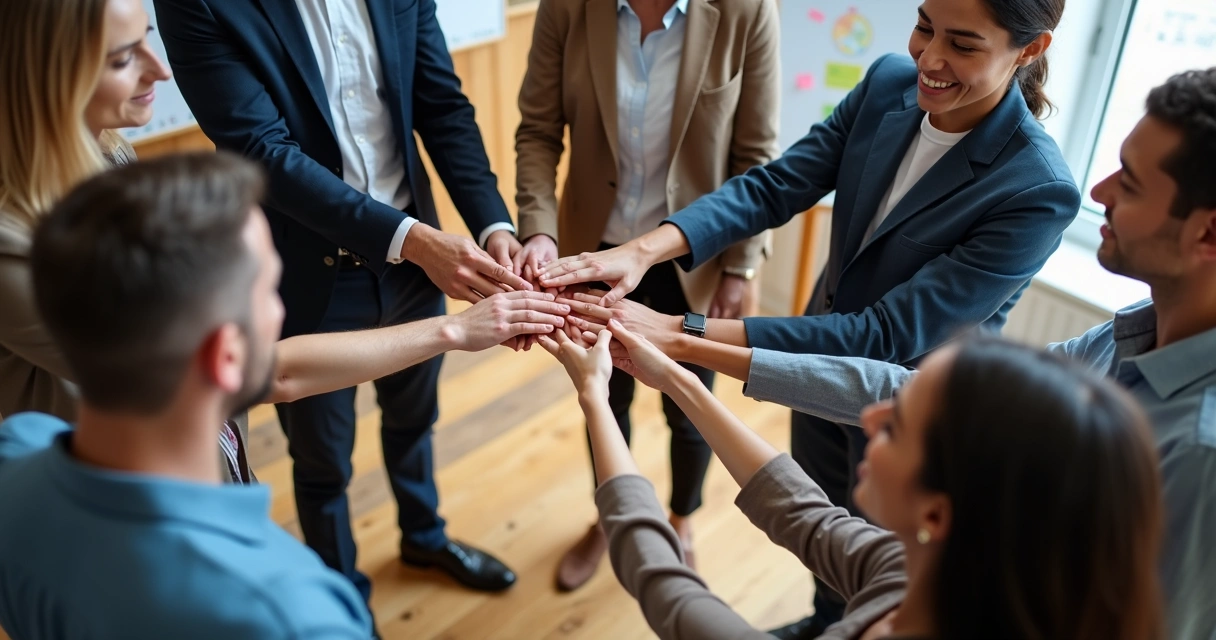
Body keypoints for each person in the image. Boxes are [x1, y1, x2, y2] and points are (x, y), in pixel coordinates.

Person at [602, 68, 1216, 639]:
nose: (1101, 190)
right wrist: (681, 350)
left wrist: (664, 352)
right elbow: (875, 421)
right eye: (927, 25)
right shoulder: (1122, 338)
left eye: (1130, 184)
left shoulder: (1199, 452)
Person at [542, 0, 1076, 631]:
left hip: (910, 407)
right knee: (821, 532)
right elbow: (776, 186)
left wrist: (682, 332)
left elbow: (882, 336)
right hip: (809, 365)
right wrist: (644, 249)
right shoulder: (886, 84)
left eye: (962, 45)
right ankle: (825, 619)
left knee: (877, 556)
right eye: (925, 26)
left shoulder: (1035, 189)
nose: (929, 59)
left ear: (1030, 50)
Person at [153, 0, 534, 602]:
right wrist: (413, 242)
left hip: (418, 264)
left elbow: (441, 106)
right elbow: (262, 151)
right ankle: (341, 596)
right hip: (309, 275)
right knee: (322, 459)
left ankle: (424, 536)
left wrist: (495, 228)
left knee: (415, 418)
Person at [541, 322, 1163, 640]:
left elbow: (666, 586)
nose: (870, 419)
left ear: (940, 514)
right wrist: (675, 374)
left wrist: (595, 395)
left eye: (898, 428)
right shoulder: (927, 573)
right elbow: (804, 513)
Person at [513, 0, 780, 590]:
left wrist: (740, 266)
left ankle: (681, 520)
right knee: (602, 398)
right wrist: (538, 228)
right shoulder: (568, 8)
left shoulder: (748, 10)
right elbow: (537, 130)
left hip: (695, 260)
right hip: (590, 252)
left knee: (689, 407)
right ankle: (614, 518)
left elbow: (755, 157)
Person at [0, 0, 171, 422]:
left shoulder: (112, 155)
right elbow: (166, 367)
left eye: (147, 41)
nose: (160, 71)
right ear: (46, 78)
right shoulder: (11, 242)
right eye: (123, 59)